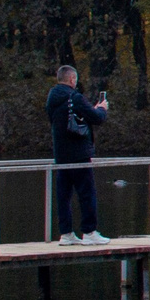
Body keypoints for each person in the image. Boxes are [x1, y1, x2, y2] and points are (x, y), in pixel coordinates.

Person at [46, 64, 109, 244]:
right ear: (72, 79)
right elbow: (97, 118)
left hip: (61, 154)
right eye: (76, 79)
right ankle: (89, 232)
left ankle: (66, 234)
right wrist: (102, 108)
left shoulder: (51, 98)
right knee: (87, 193)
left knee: (63, 196)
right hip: (79, 154)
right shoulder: (75, 97)